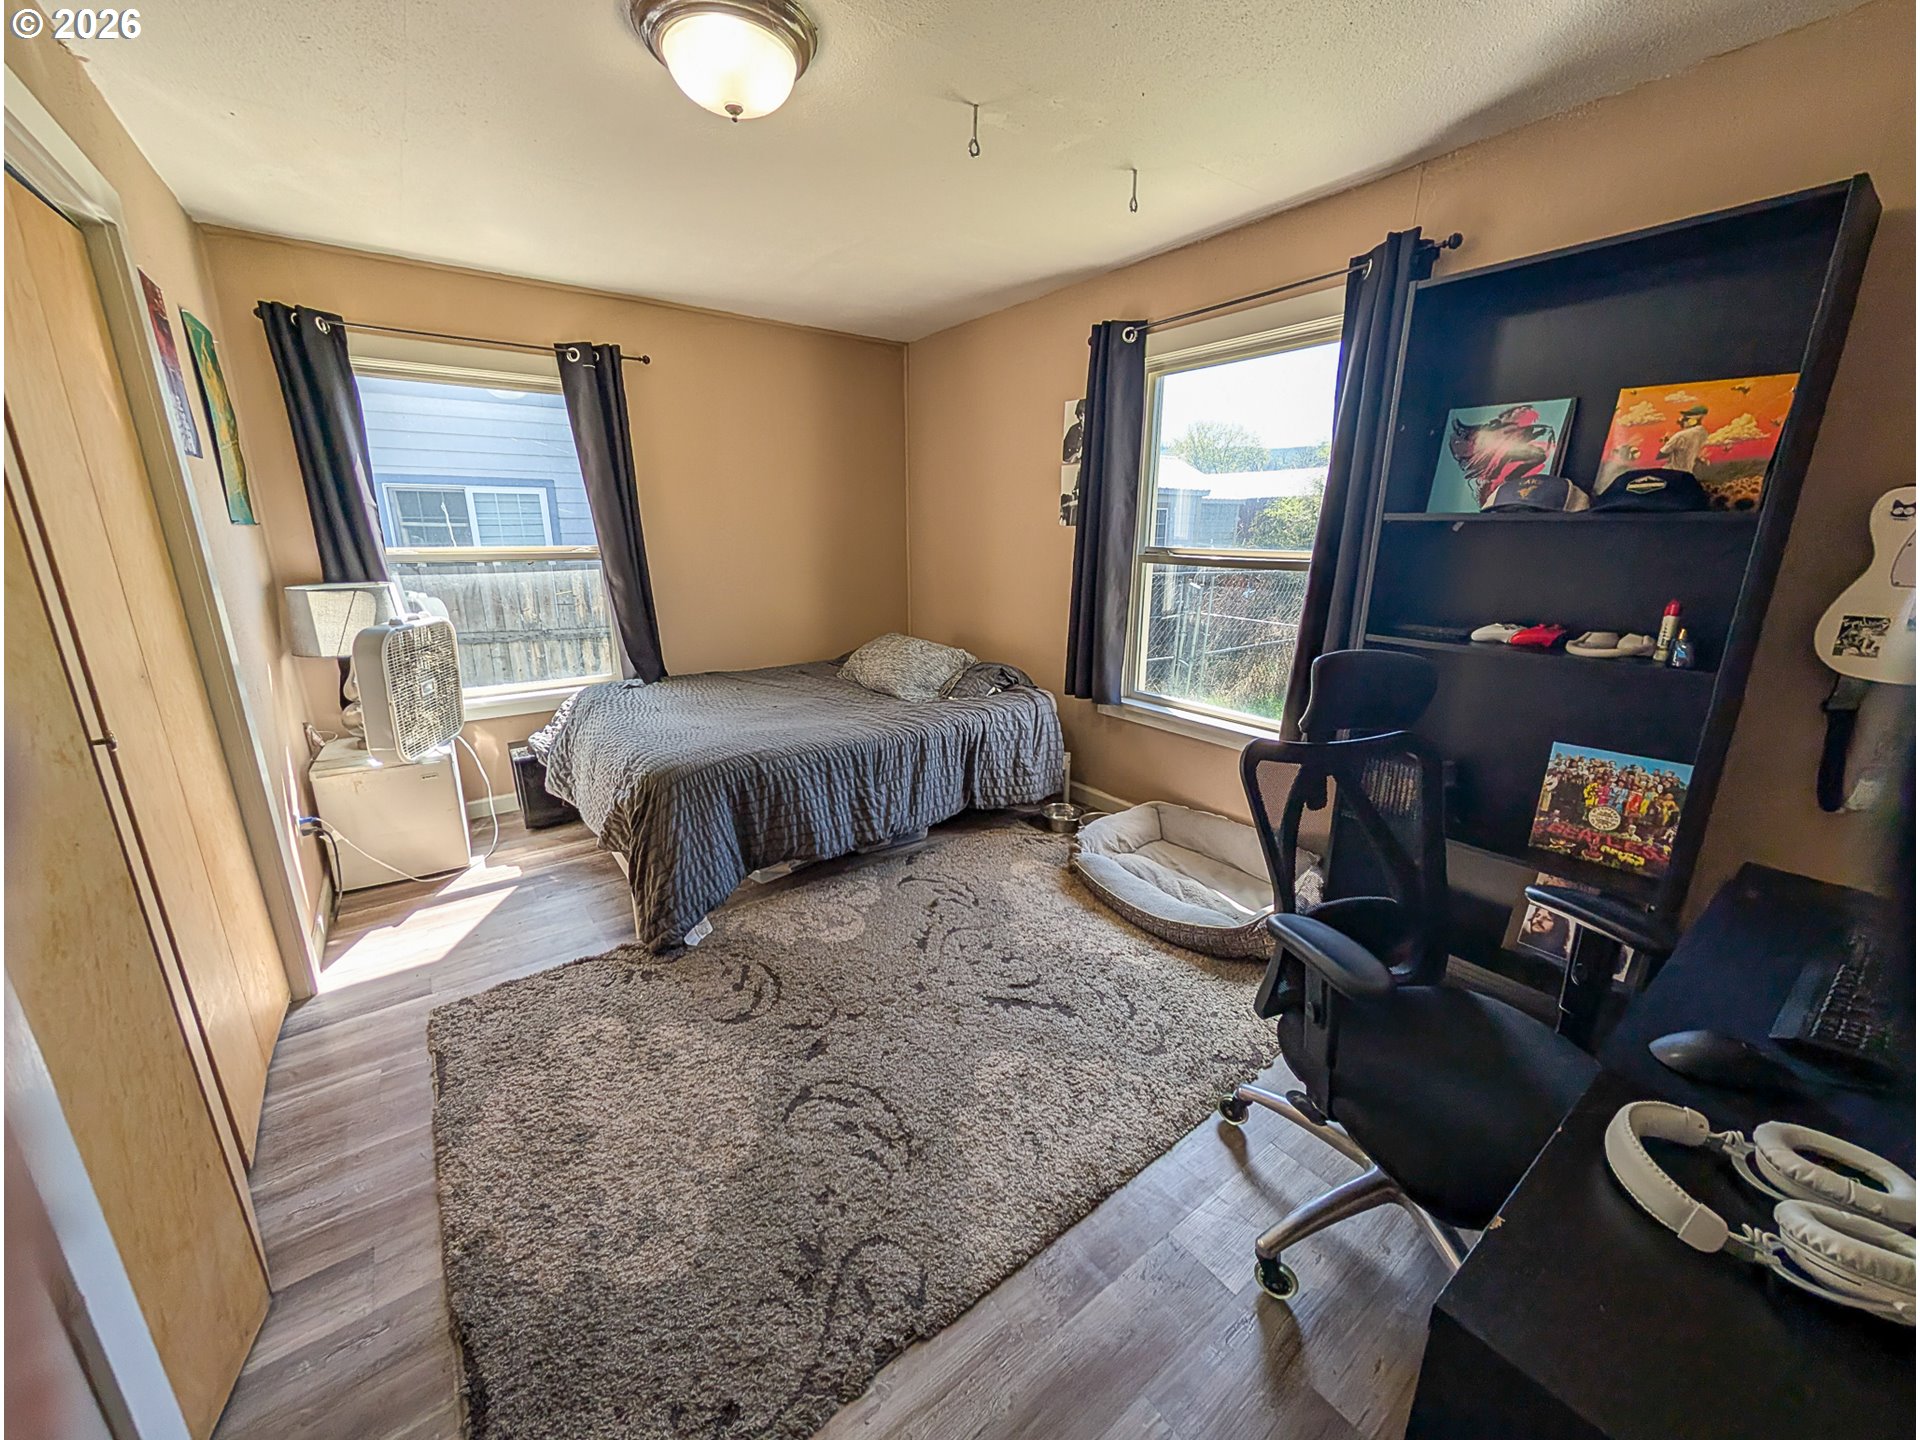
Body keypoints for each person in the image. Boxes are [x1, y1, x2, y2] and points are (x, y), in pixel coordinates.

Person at [1658, 404, 1711, 473]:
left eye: (1684, 420)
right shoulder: (1704, 433)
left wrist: (1670, 442)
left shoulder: (1680, 436)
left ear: (1692, 421)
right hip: (1687, 471)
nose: (1681, 423)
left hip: (1673, 471)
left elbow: (1660, 455)